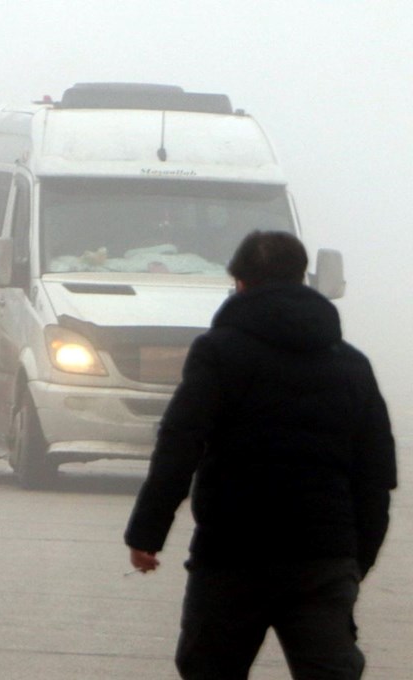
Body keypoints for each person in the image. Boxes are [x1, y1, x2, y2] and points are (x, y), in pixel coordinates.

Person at [124, 231, 397, 680]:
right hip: (322, 558)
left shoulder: (218, 352)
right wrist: (353, 558)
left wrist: (147, 533)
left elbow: (180, 442)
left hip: (232, 555)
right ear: (302, 280)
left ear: (242, 284)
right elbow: (375, 472)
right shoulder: (351, 363)